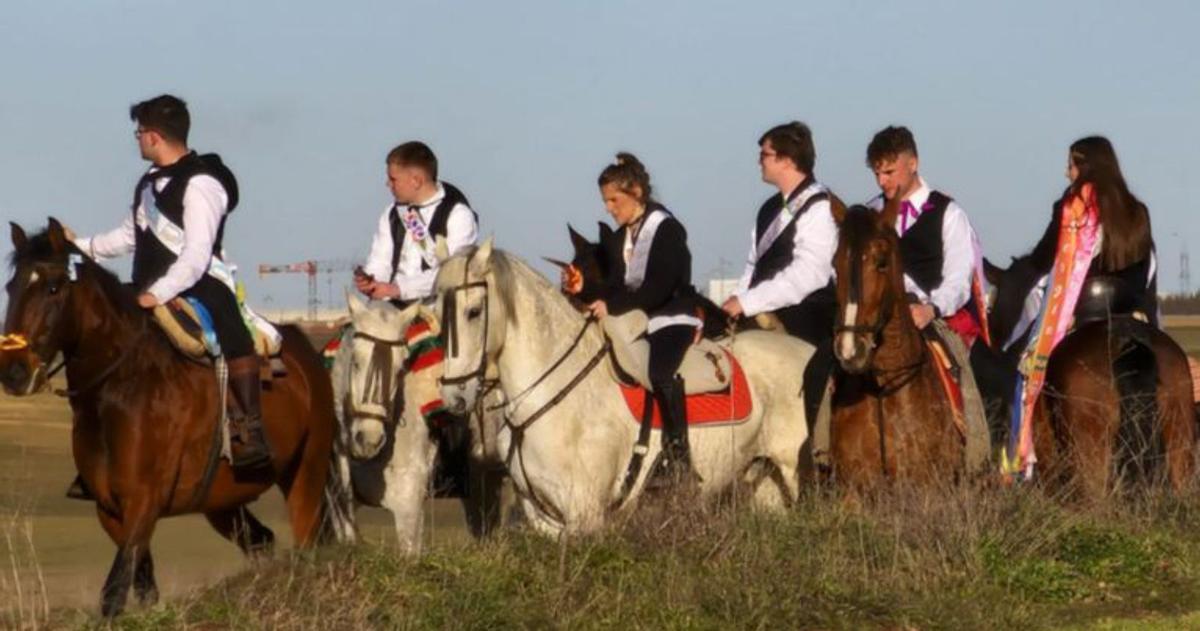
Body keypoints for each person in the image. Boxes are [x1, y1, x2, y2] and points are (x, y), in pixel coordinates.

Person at [71, 94, 269, 477]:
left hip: (198, 284)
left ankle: (249, 427)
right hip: (148, 286)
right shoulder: (147, 183)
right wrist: (76, 245)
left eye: (139, 132)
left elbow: (196, 255)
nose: (137, 138)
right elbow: (127, 237)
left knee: (232, 330)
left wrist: (158, 294)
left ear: (155, 136)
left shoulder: (202, 184)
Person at [1006, 136, 1158, 478]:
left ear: (1086, 166)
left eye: (1071, 164)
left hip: (1081, 313)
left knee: (1025, 370)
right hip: (1131, 313)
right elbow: (1147, 273)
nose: (1066, 172)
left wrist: (1014, 276)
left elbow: (1044, 259)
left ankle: (1023, 467)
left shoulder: (1072, 207)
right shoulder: (1139, 212)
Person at [865, 126, 992, 472]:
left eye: (888, 171)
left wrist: (931, 308)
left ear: (913, 163)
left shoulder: (948, 213)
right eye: (876, 172)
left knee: (981, 376)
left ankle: (981, 458)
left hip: (933, 316)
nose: (881, 182)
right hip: (877, 321)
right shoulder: (869, 214)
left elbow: (959, 278)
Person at [576, 152, 701, 488]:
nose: (609, 208)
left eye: (614, 200)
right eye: (606, 201)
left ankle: (679, 457)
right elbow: (617, 287)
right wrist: (587, 290)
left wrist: (612, 306)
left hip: (671, 316)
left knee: (659, 372)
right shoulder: (622, 237)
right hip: (637, 316)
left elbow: (659, 287)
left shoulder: (668, 229)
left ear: (636, 193)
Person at [721, 121, 839, 432]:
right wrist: (735, 302)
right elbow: (752, 266)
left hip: (807, 314)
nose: (759, 160)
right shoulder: (768, 209)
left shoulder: (821, 206)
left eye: (765, 154)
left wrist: (748, 302)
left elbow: (809, 274)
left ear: (786, 160)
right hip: (762, 308)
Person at [356, 141, 478, 305]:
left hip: (438, 312)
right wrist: (371, 280)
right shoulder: (392, 213)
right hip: (392, 308)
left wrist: (399, 289)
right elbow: (380, 261)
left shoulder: (458, 215)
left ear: (416, 181)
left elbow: (453, 274)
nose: (388, 184)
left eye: (393, 179)